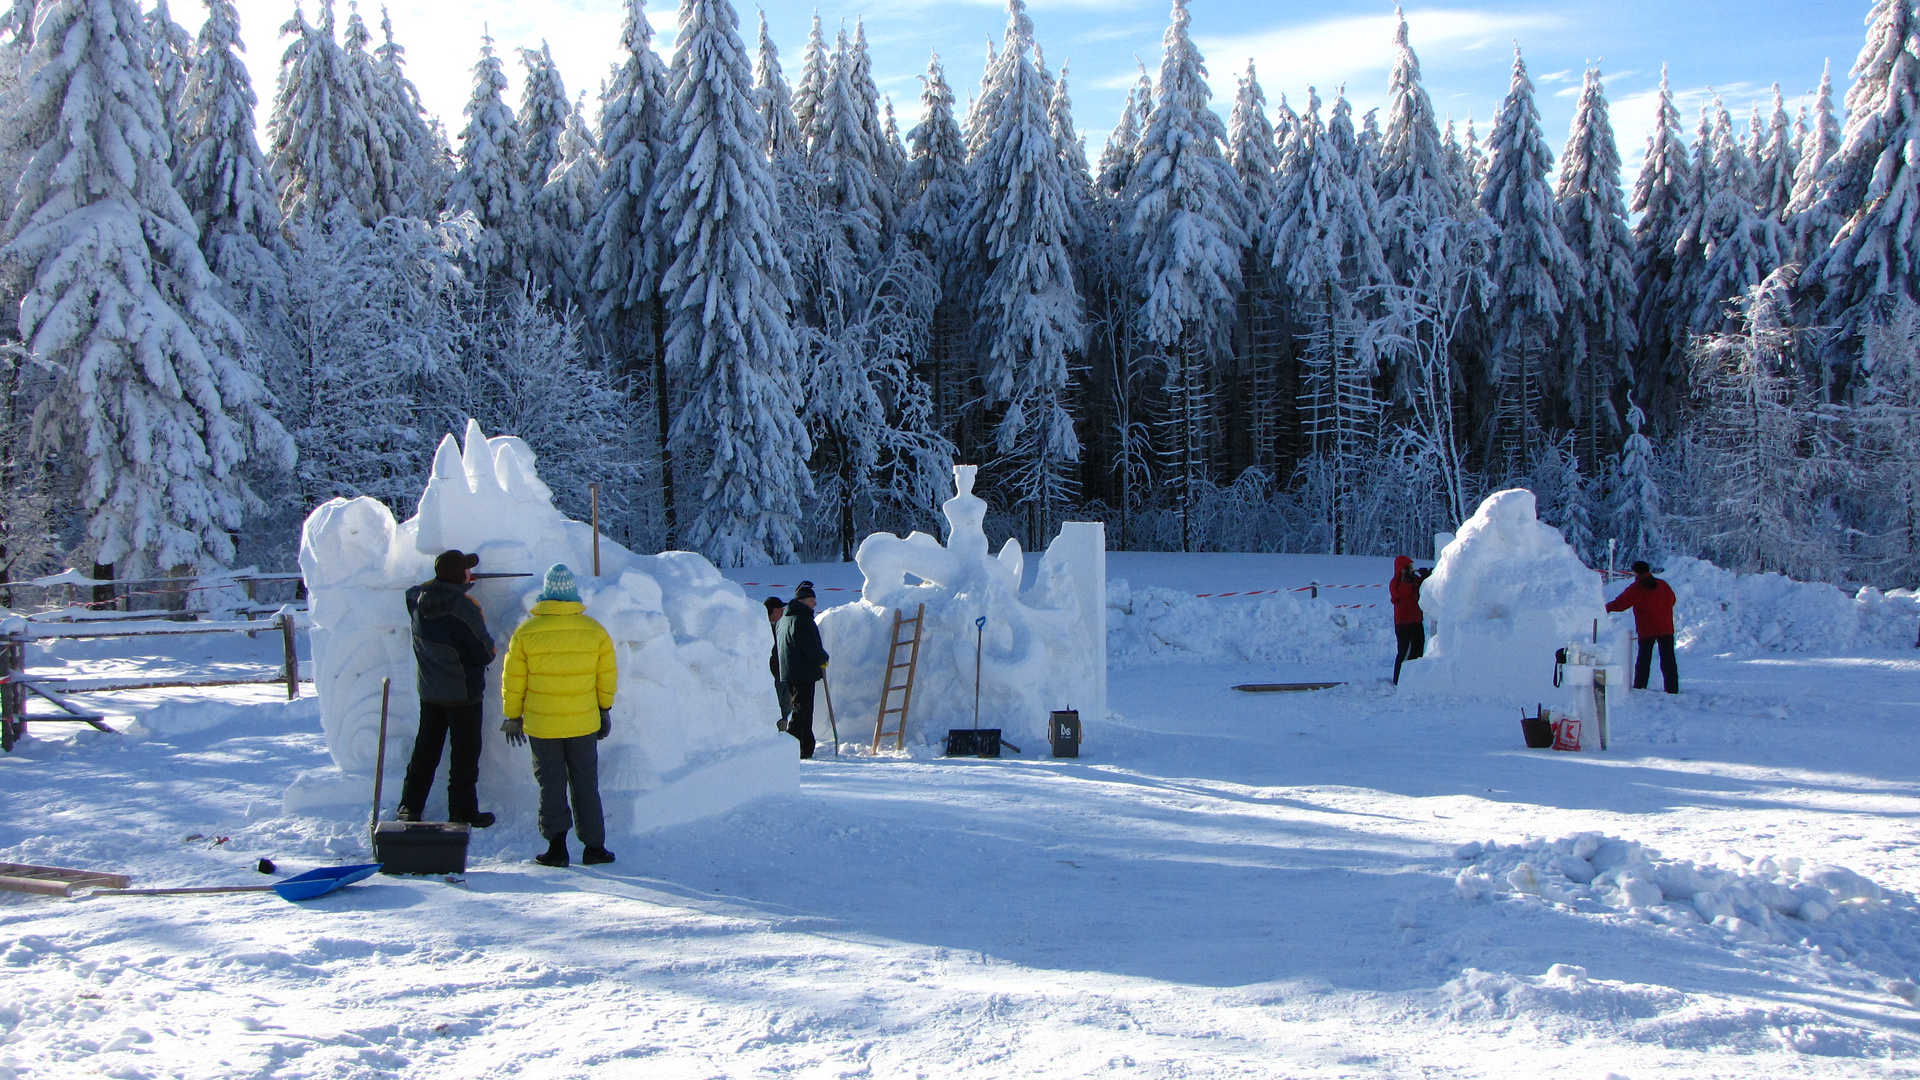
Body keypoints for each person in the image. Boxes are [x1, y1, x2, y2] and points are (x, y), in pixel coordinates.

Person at [501, 564, 619, 868]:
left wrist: (512, 715)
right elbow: (606, 677)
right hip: (583, 724)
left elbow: (514, 680)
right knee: (585, 783)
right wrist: (604, 710)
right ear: (573, 596)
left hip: (542, 726)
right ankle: (595, 848)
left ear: (547, 594)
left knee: (550, 784)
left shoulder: (526, 632)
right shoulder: (594, 631)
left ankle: (556, 848)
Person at [399, 550, 497, 828]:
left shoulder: (417, 600)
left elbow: (417, 591)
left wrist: (451, 584)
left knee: (425, 752)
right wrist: (464, 595)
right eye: (466, 570)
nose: (470, 573)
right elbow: (484, 653)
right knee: (464, 756)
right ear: (460, 577)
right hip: (463, 694)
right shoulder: (464, 609)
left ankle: (410, 806)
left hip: (430, 691)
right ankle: (463, 811)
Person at [1606, 560, 1679, 694]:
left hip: (1647, 628)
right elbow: (1672, 600)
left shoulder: (1636, 588)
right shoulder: (1662, 585)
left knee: (1644, 659)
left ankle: (1640, 686)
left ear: (1636, 572)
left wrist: (1605, 608)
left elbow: (1620, 604)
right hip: (1666, 627)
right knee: (1668, 659)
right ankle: (1672, 688)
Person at [776, 583, 830, 759]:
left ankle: (806, 748)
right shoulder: (802, 619)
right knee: (802, 712)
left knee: (802, 710)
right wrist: (822, 658)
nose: (815, 605)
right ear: (805, 601)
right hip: (803, 671)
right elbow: (810, 645)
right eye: (813, 600)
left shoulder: (785, 619)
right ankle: (790, 747)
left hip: (790, 671)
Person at [1388, 556, 1432, 685]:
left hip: (1416, 621)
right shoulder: (1395, 583)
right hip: (1403, 624)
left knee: (1418, 649)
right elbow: (1401, 594)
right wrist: (1406, 581)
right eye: (1408, 568)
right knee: (1404, 651)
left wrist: (1425, 576)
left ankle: (1414, 677)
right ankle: (1399, 679)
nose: (1412, 570)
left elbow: (1423, 588)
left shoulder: (1414, 580)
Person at [764, 597, 792, 732]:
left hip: (783, 672)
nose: (782, 611)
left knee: (786, 706)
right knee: (774, 707)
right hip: (771, 674)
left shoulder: (781, 627)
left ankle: (782, 732)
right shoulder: (761, 628)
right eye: (778, 608)